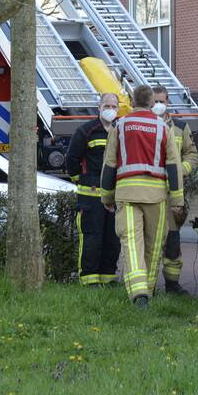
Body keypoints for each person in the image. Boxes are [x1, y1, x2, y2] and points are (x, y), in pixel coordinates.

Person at [100, 84, 184, 309]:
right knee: (153, 246)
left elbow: (110, 163)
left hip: (126, 194)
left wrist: (106, 196)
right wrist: (177, 200)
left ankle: (139, 294)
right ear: (151, 103)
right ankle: (148, 290)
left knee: (131, 243)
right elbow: (174, 165)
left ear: (132, 102)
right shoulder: (163, 127)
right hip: (156, 196)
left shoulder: (119, 125)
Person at [65, 92, 121, 286]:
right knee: (92, 237)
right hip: (91, 196)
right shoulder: (86, 131)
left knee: (112, 239)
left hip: (114, 196)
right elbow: (71, 159)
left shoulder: (120, 131)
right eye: (107, 106)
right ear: (99, 107)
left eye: (114, 106)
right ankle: (89, 279)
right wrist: (82, 180)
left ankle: (108, 277)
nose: (110, 110)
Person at [151, 85, 198, 295]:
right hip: (151, 192)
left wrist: (180, 171)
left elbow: (192, 154)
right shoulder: (144, 126)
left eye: (161, 101)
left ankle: (172, 284)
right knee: (150, 240)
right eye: (154, 102)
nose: (158, 105)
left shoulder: (180, 127)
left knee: (172, 240)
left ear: (168, 102)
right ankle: (148, 286)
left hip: (173, 193)